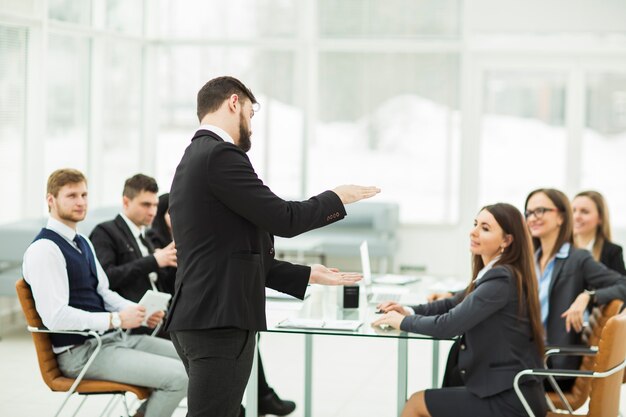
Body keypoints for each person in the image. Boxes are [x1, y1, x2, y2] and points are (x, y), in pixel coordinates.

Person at [165, 75, 380, 417]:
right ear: (234, 102)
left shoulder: (194, 158)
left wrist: (307, 274)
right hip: (218, 323)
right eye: (251, 112)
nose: (251, 123)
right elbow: (283, 218)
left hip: (200, 318)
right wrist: (336, 197)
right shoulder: (220, 155)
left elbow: (236, 255)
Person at [22, 168, 187, 417]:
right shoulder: (45, 250)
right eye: (72, 196)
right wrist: (117, 319)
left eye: (84, 195)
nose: (80, 202)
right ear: (51, 200)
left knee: (196, 360)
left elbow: (104, 292)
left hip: (112, 339)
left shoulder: (82, 242)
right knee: (180, 377)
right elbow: (55, 317)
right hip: (82, 352)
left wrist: (135, 313)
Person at [373, 203, 547, 417]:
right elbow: (451, 304)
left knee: (417, 404)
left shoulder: (501, 279)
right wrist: (407, 310)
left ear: (506, 240)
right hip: (504, 389)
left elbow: (449, 325)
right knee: (422, 400)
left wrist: (401, 322)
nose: (473, 232)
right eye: (475, 224)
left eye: (485, 228)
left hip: (510, 398)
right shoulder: (494, 273)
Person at [148, 193, 298, 416]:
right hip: (187, 318)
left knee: (243, 345)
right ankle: (261, 397)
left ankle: (260, 397)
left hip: (195, 317)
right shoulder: (160, 241)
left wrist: (306, 275)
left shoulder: (198, 235)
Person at [525, 188, 626, 388]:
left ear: (561, 218)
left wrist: (588, 296)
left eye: (541, 211)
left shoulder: (578, 258)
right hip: (527, 354)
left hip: (549, 363)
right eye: (528, 213)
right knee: (464, 355)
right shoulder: (529, 260)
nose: (532, 218)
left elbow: (622, 284)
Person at [89, 174, 177, 306]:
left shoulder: (145, 237)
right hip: (130, 319)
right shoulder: (105, 232)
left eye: (155, 205)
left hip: (158, 318)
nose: (152, 212)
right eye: (146, 205)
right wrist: (153, 261)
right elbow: (105, 278)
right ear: (126, 202)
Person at [572, 190, 626, 275]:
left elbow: (621, 286)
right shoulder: (562, 247)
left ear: (600, 218)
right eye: (573, 211)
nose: (576, 216)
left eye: (585, 212)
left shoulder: (612, 252)